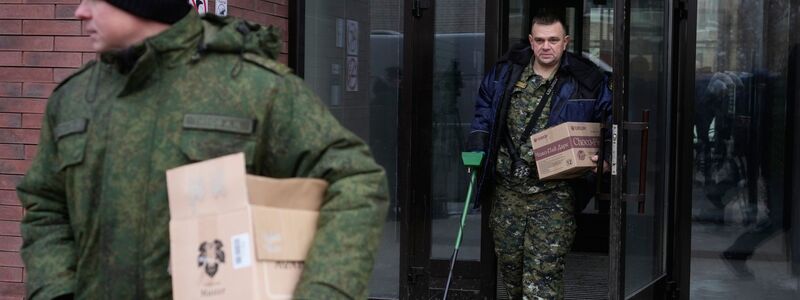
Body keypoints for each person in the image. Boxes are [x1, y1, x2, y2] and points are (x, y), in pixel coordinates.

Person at [16, 0, 389, 299]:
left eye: (94, 0)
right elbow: (46, 206)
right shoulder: (74, 99)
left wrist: (323, 291)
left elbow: (355, 180)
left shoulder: (253, 88)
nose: (80, 11)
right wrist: (55, 290)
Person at [466, 12, 612, 299]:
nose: (547, 46)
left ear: (566, 42)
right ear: (531, 41)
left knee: (543, 278)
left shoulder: (587, 79)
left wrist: (605, 158)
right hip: (508, 191)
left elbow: (609, 119)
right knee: (511, 272)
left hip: (554, 194)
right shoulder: (505, 73)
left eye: (553, 40)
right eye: (541, 40)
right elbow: (483, 113)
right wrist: (477, 149)